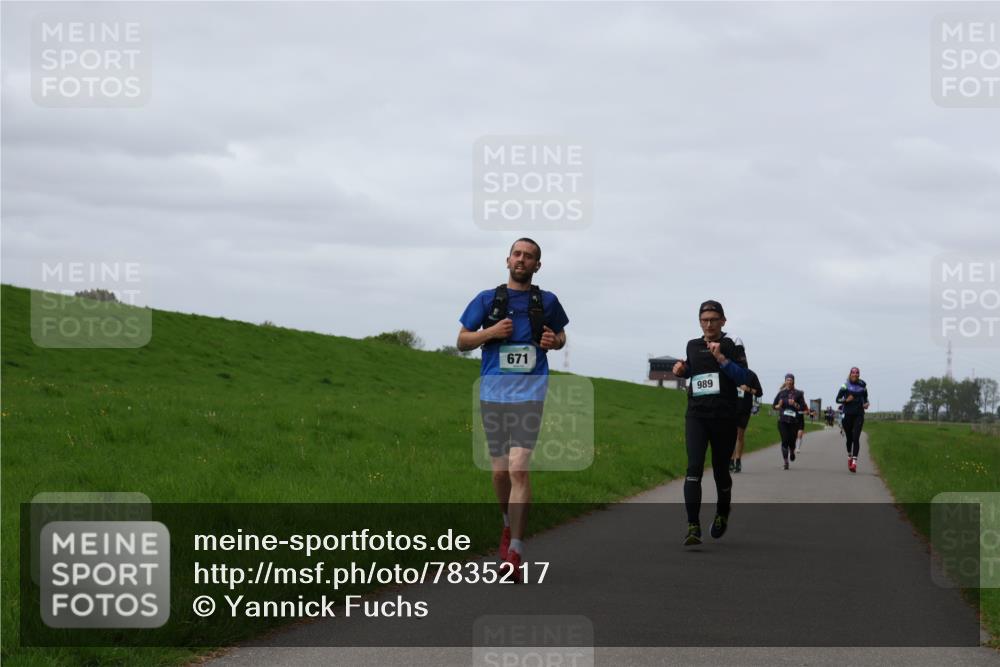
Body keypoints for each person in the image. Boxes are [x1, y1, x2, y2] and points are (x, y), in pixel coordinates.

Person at [457, 238, 568, 581]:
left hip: (530, 394)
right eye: (517, 254)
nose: (522, 259)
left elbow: (561, 336)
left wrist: (554, 341)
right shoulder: (486, 300)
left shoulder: (547, 301)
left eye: (529, 256)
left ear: (537, 266)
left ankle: (516, 552)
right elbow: (462, 340)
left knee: (519, 468)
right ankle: (507, 525)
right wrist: (490, 332)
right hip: (493, 393)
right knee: (500, 473)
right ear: (507, 260)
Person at [672, 300, 750, 546]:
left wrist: (721, 358)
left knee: (720, 471)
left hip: (724, 417)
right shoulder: (692, 345)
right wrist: (682, 370)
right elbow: (694, 370)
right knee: (694, 468)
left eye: (713, 320)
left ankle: (722, 512)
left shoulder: (732, 343)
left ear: (723, 321)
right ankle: (692, 526)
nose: (708, 324)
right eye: (704, 320)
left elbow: (744, 377)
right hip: (696, 415)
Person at [836, 366, 870, 473]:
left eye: (857, 373)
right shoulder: (845, 386)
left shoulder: (863, 385)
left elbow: (865, 399)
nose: (855, 374)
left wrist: (866, 404)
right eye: (853, 373)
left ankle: (854, 463)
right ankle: (849, 456)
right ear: (850, 374)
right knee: (849, 439)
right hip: (847, 414)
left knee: (856, 438)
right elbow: (837, 399)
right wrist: (846, 400)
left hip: (859, 414)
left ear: (859, 374)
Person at [730, 368, 762, 474]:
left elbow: (759, 392)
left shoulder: (751, 375)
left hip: (744, 409)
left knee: (740, 435)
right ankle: (731, 461)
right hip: (731, 408)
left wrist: (748, 389)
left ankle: (738, 460)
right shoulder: (729, 370)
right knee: (731, 435)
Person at [772, 374, 805, 470]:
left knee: (792, 442)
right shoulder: (781, 393)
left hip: (794, 422)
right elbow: (774, 406)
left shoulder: (798, 394)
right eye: (787, 380)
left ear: (793, 381)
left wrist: (795, 404)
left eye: (790, 380)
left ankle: (792, 451)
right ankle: (786, 462)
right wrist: (778, 406)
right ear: (785, 381)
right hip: (782, 421)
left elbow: (802, 407)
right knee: (785, 440)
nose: (789, 381)